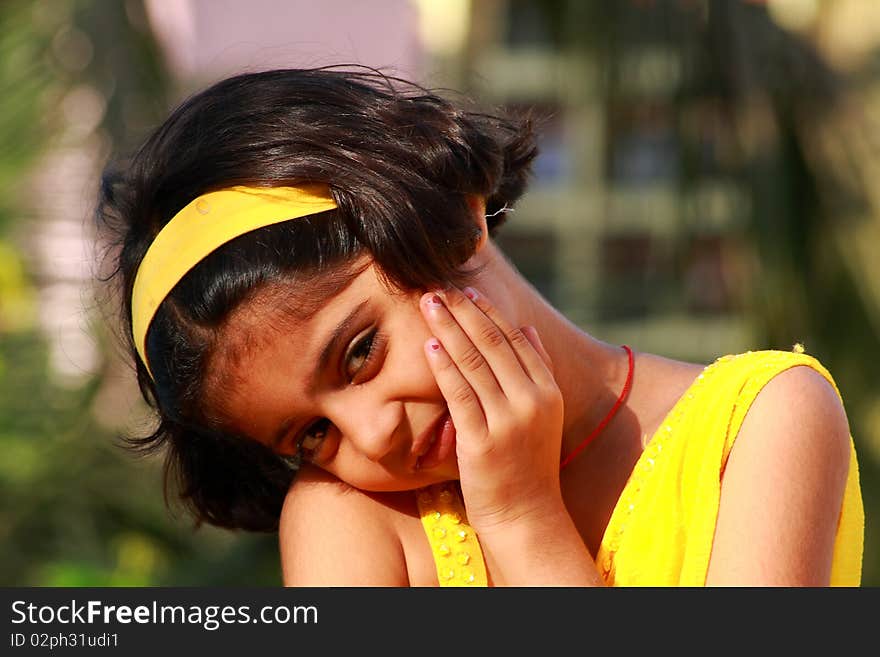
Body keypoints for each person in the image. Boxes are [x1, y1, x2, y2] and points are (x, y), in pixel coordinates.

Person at [95, 66, 864, 586]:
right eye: (309, 436)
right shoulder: (352, 521)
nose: (370, 435)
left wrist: (525, 521)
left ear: (452, 217)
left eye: (359, 353)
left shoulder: (764, 426)